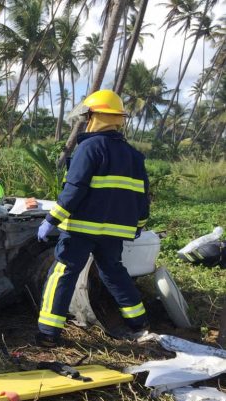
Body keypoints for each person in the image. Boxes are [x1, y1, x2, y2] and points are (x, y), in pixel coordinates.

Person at [36, 89, 150, 348]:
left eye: (88, 116)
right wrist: (139, 226)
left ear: (95, 116)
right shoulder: (134, 156)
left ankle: (48, 333)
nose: (86, 120)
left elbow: (73, 190)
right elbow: (142, 199)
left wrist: (51, 220)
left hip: (81, 229)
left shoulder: (89, 148)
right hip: (114, 233)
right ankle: (138, 321)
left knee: (64, 271)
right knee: (113, 271)